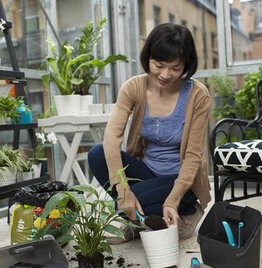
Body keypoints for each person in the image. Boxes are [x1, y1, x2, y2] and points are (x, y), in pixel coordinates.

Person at [88, 23, 211, 243]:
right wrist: (122, 189)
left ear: (186, 65)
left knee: (137, 201)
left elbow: (194, 156)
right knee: (96, 154)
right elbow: (111, 138)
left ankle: (183, 211)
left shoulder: (197, 95)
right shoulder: (133, 87)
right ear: (148, 58)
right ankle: (148, 217)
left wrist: (172, 200)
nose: (165, 74)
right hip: (147, 172)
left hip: (182, 181)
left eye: (175, 68)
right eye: (158, 64)